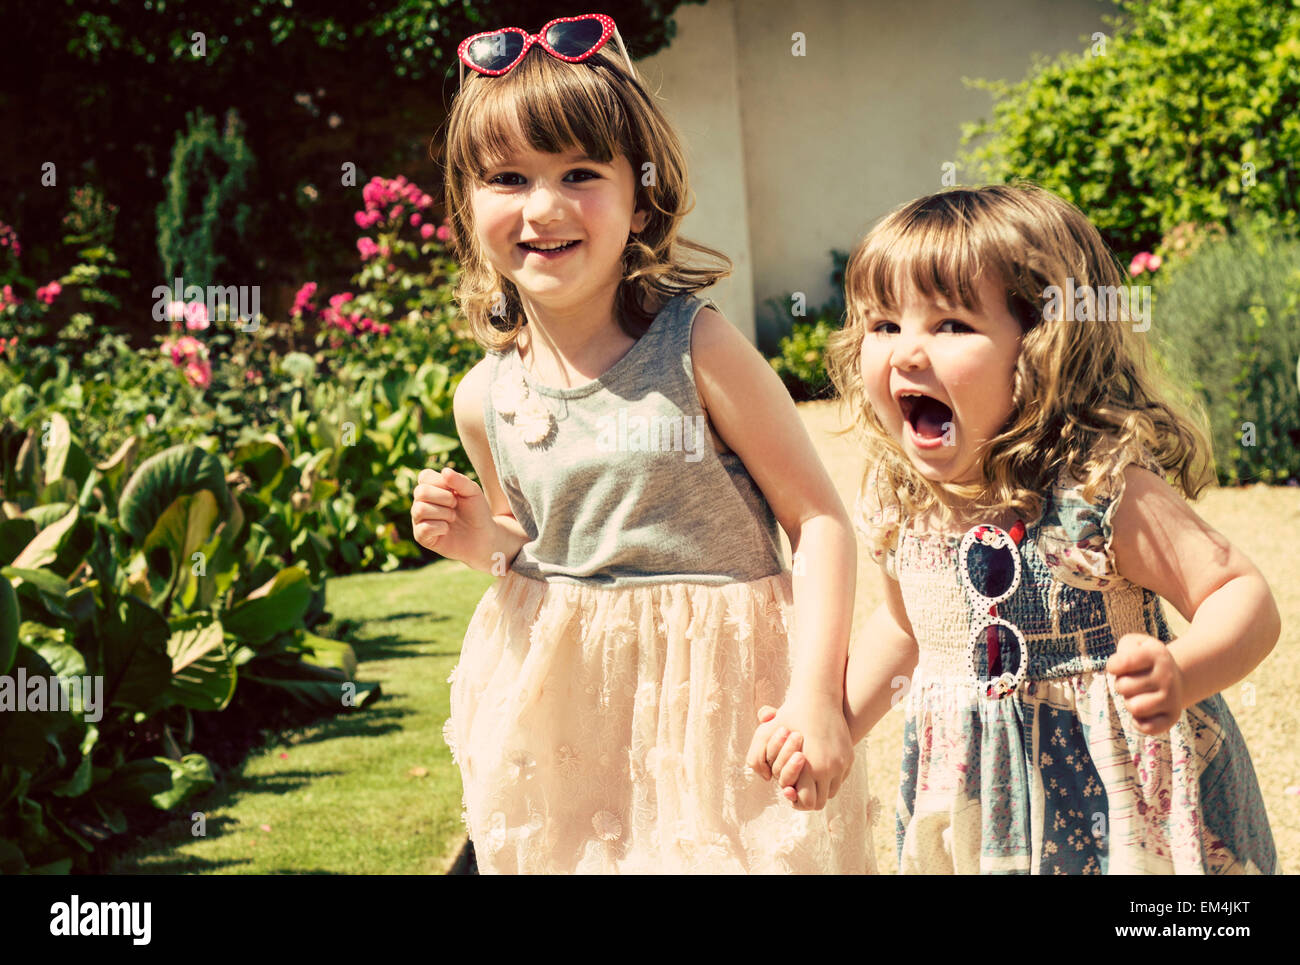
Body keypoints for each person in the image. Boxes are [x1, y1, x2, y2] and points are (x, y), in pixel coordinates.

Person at [412, 13, 876, 873]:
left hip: (714, 720)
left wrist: (817, 694)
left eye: (580, 173)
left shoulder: (696, 348)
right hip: (564, 727)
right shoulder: (483, 397)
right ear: (467, 203)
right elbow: (531, 540)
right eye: (508, 178)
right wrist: (482, 540)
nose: (543, 208)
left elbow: (819, 522)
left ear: (641, 193)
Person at [755, 184, 1279, 874]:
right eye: (884, 325)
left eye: (949, 325)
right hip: (979, 813)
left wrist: (1182, 670)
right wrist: (837, 725)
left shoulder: (1095, 491)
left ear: (1043, 345)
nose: (908, 352)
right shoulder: (902, 502)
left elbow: (1241, 595)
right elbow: (909, 630)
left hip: (1123, 814)